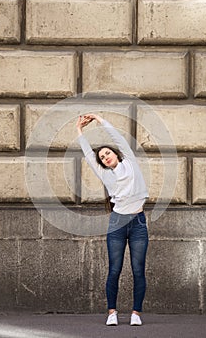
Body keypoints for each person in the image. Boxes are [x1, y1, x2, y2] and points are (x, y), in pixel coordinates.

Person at [76, 113, 149, 326]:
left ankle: (136, 313)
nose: (105, 157)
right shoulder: (105, 174)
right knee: (114, 269)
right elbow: (89, 155)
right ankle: (112, 313)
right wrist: (79, 131)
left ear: (115, 153)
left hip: (138, 223)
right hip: (117, 223)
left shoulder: (130, 161)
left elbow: (117, 137)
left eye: (107, 153)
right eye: (102, 158)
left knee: (138, 269)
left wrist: (99, 119)